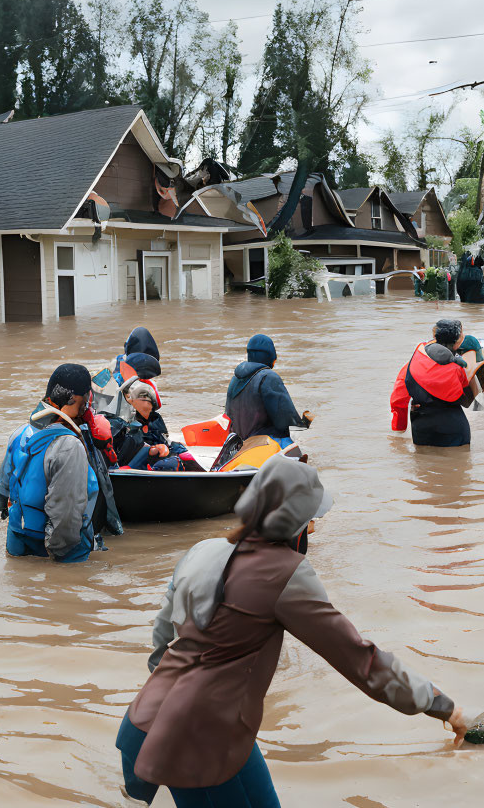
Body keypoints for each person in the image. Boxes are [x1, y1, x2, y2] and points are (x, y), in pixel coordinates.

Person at [117, 458, 465, 806]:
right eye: (311, 521)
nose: (312, 529)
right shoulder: (286, 574)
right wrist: (441, 705)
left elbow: (163, 633)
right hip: (202, 742)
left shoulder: (204, 550)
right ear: (295, 524)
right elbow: (362, 661)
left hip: (141, 722)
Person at [0, 364, 102, 562]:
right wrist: (60, 556)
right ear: (76, 398)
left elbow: (4, 492)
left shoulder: (20, 433)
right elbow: (65, 513)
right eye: (88, 395)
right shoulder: (69, 446)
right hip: (53, 552)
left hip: (17, 542)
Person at [390, 318, 479, 447]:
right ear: (458, 341)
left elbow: (399, 395)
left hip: (421, 427)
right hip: (453, 427)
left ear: (434, 335)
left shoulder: (417, 357)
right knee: (458, 464)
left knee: (422, 464)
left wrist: (399, 427)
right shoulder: (458, 367)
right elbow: (468, 400)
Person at [224, 334, 313, 446]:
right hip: (262, 443)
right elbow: (285, 421)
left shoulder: (235, 378)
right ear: (271, 356)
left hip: (238, 442)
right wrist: (306, 421)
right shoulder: (268, 377)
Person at [114, 379, 193, 471]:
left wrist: (164, 446)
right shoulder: (125, 421)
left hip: (154, 455)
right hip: (137, 460)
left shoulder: (155, 418)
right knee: (172, 462)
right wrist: (153, 449)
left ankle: (205, 471)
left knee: (179, 448)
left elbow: (163, 440)